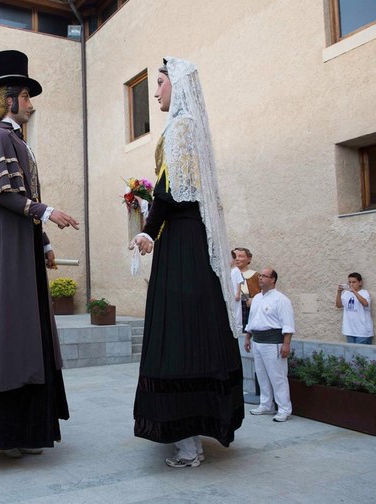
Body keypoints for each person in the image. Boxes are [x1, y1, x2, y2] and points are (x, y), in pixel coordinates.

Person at [0, 50, 78, 457]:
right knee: (13, 332)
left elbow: (26, 196)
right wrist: (47, 213)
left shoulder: (18, 141)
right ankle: (8, 432)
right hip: (7, 248)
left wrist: (42, 242)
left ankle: (29, 430)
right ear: (8, 100)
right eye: (26, 95)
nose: (31, 103)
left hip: (22, 244)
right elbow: (4, 194)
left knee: (30, 331)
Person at [131, 57, 244, 468]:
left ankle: (187, 442)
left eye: (159, 83)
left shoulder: (181, 127)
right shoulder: (189, 127)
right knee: (195, 332)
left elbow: (169, 191)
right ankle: (193, 429)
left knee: (177, 335)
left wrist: (148, 229)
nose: (156, 91)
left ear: (176, 86)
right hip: (190, 240)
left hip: (180, 243)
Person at [244, 268, 295, 423]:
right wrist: (248, 338)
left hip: (273, 343)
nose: (260, 278)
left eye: (264, 276)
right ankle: (266, 405)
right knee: (262, 376)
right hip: (258, 342)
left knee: (277, 377)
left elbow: (288, 324)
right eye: (260, 275)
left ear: (273, 279)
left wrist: (286, 344)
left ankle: (284, 409)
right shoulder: (257, 298)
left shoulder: (281, 300)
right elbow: (252, 321)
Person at [336, 273, 374, 344]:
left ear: (360, 283)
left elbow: (365, 303)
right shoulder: (346, 293)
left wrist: (353, 291)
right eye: (349, 282)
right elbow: (338, 305)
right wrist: (339, 293)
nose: (351, 284)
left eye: (354, 282)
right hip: (349, 330)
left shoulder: (364, 293)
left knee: (361, 354)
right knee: (351, 354)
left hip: (362, 332)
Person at [233, 247, 260, 331]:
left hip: (246, 306)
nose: (237, 259)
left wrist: (254, 300)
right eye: (235, 257)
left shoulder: (255, 275)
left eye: (240, 256)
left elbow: (262, 294)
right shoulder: (229, 274)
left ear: (248, 259)